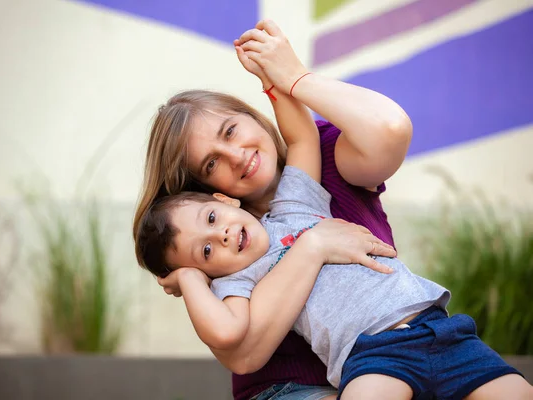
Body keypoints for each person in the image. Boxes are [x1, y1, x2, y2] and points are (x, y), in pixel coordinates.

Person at [133, 20, 531, 399]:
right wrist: (309, 247)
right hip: (335, 371)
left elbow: (309, 137)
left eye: (231, 131)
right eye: (211, 164)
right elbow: (241, 351)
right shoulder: (220, 256)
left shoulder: (298, 194)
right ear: (207, 188)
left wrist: (286, 80)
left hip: (432, 326)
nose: (236, 156)